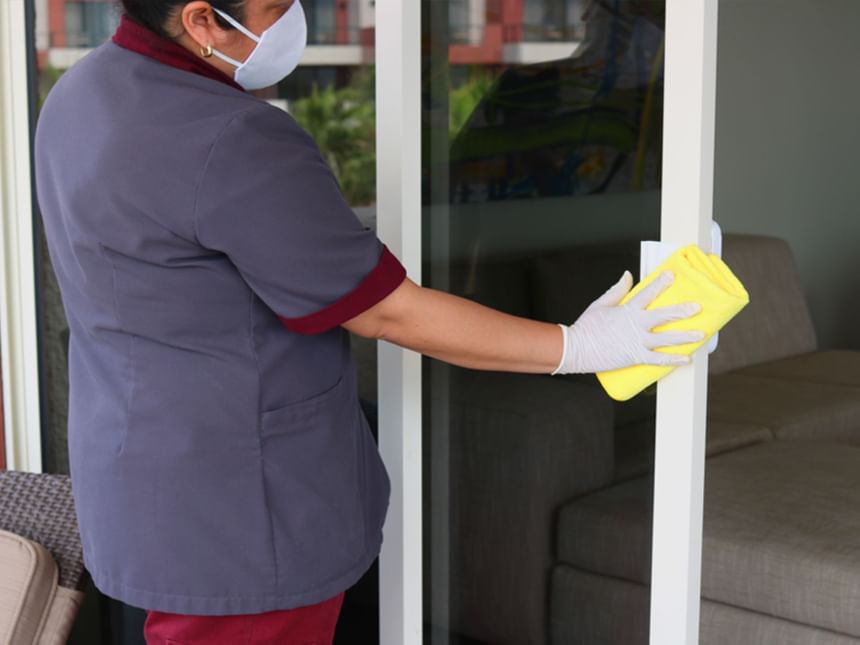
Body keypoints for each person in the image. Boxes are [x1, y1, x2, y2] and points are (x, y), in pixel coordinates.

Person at [33, 1, 703, 643]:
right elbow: (385, 308)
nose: (294, 17)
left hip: (147, 484)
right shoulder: (233, 137)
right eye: (274, 7)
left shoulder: (79, 95)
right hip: (244, 514)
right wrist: (577, 345)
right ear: (201, 18)